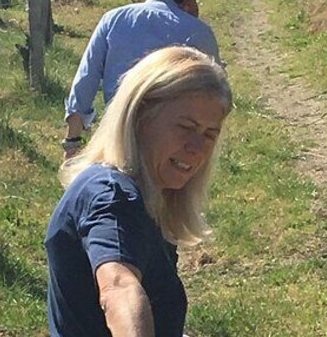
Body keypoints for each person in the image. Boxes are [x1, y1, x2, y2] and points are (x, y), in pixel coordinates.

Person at [46, 46, 232, 336]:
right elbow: (118, 286)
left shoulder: (145, 195)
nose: (197, 149)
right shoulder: (112, 196)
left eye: (210, 134)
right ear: (142, 115)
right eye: (185, 127)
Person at [63, 0, 220, 159]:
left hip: (118, 131)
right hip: (173, 141)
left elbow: (86, 79)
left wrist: (72, 141)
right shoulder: (199, 32)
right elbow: (214, 90)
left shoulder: (113, 20)